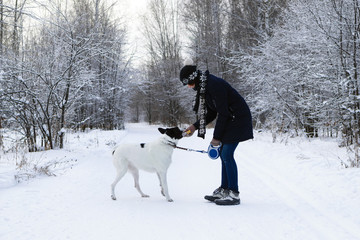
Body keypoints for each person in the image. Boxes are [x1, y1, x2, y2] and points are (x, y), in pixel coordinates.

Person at [180, 59, 253, 206]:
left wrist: (216, 138)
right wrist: (194, 127)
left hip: (238, 118)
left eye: (189, 83)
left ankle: (233, 193)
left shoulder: (214, 85)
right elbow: (212, 113)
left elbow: (223, 113)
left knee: (226, 154)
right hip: (230, 118)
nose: (188, 87)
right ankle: (224, 189)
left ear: (194, 77)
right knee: (223, 155)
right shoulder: (204, 88)